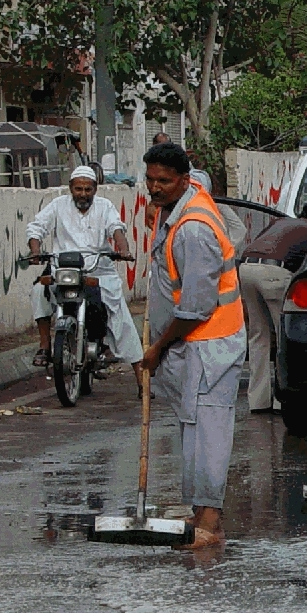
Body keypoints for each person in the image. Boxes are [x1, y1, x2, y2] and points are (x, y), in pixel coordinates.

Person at [140, 142, 246, 549]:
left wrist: (157, 348)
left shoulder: (194, 228)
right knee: (194, 429)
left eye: (163, 181)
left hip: (210, 342)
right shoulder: (178, 212)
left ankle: (211, 523)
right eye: (150, 180)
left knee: (209, 433)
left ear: (184, 180)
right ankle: (200, 514)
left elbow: (196, 307)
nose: (155, 188)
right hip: (197, 343)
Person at [26, 166, 137, 378]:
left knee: (113, 306)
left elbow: (116, 228)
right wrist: (35, 251)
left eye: (88, 189)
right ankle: (44, 345)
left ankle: (105, 345)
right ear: (71, 188)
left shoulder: (105, 207)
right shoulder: (58, 205)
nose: (83, 194)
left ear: (95, 189)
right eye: (78, 189)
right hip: (63, 265)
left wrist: (123, 249)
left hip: (98, 266)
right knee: (39, 291)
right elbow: (36, 227)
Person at [238, 200, 307, 412]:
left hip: (246, 268)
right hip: (274, 273)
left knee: (258, 336)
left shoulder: (281, 222)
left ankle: (258, 401)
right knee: (283, 337)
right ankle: (282, 401)